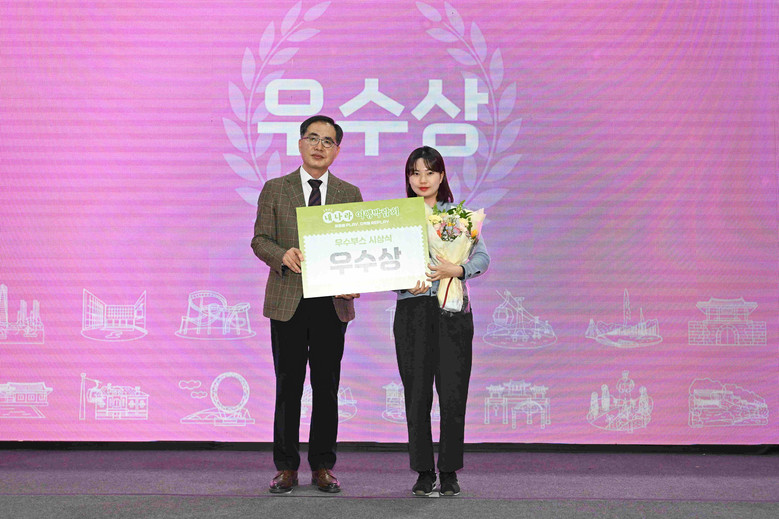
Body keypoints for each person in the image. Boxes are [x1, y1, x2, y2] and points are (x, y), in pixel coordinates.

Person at [251, 115, 362, 494]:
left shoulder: (349, 193)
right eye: (313, 138)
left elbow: (359, 248)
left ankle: (322, 466)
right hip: (289, 300)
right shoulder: (275, 189)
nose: (319, 146)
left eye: (328, 141)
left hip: (332, 303)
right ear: (300, 143)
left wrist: (356, 280)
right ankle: (285, 467)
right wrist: (281, 255)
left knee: (327, 387)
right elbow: (259, 239)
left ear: (337, 150)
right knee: (288, 386)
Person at [394, 146, 490, 497]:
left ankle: (449, 471)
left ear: (441, 176)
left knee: (452, 395)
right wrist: (403, 281)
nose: (422, 179)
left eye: (429, 172)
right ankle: (423, 472)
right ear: (408, 177)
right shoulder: (398, 217)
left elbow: (482, 257)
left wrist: (457, 269)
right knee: (416, 396)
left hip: (453, 311)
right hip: (413, 313)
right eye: (415, 172)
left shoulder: (459, 216)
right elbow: (383, 263)